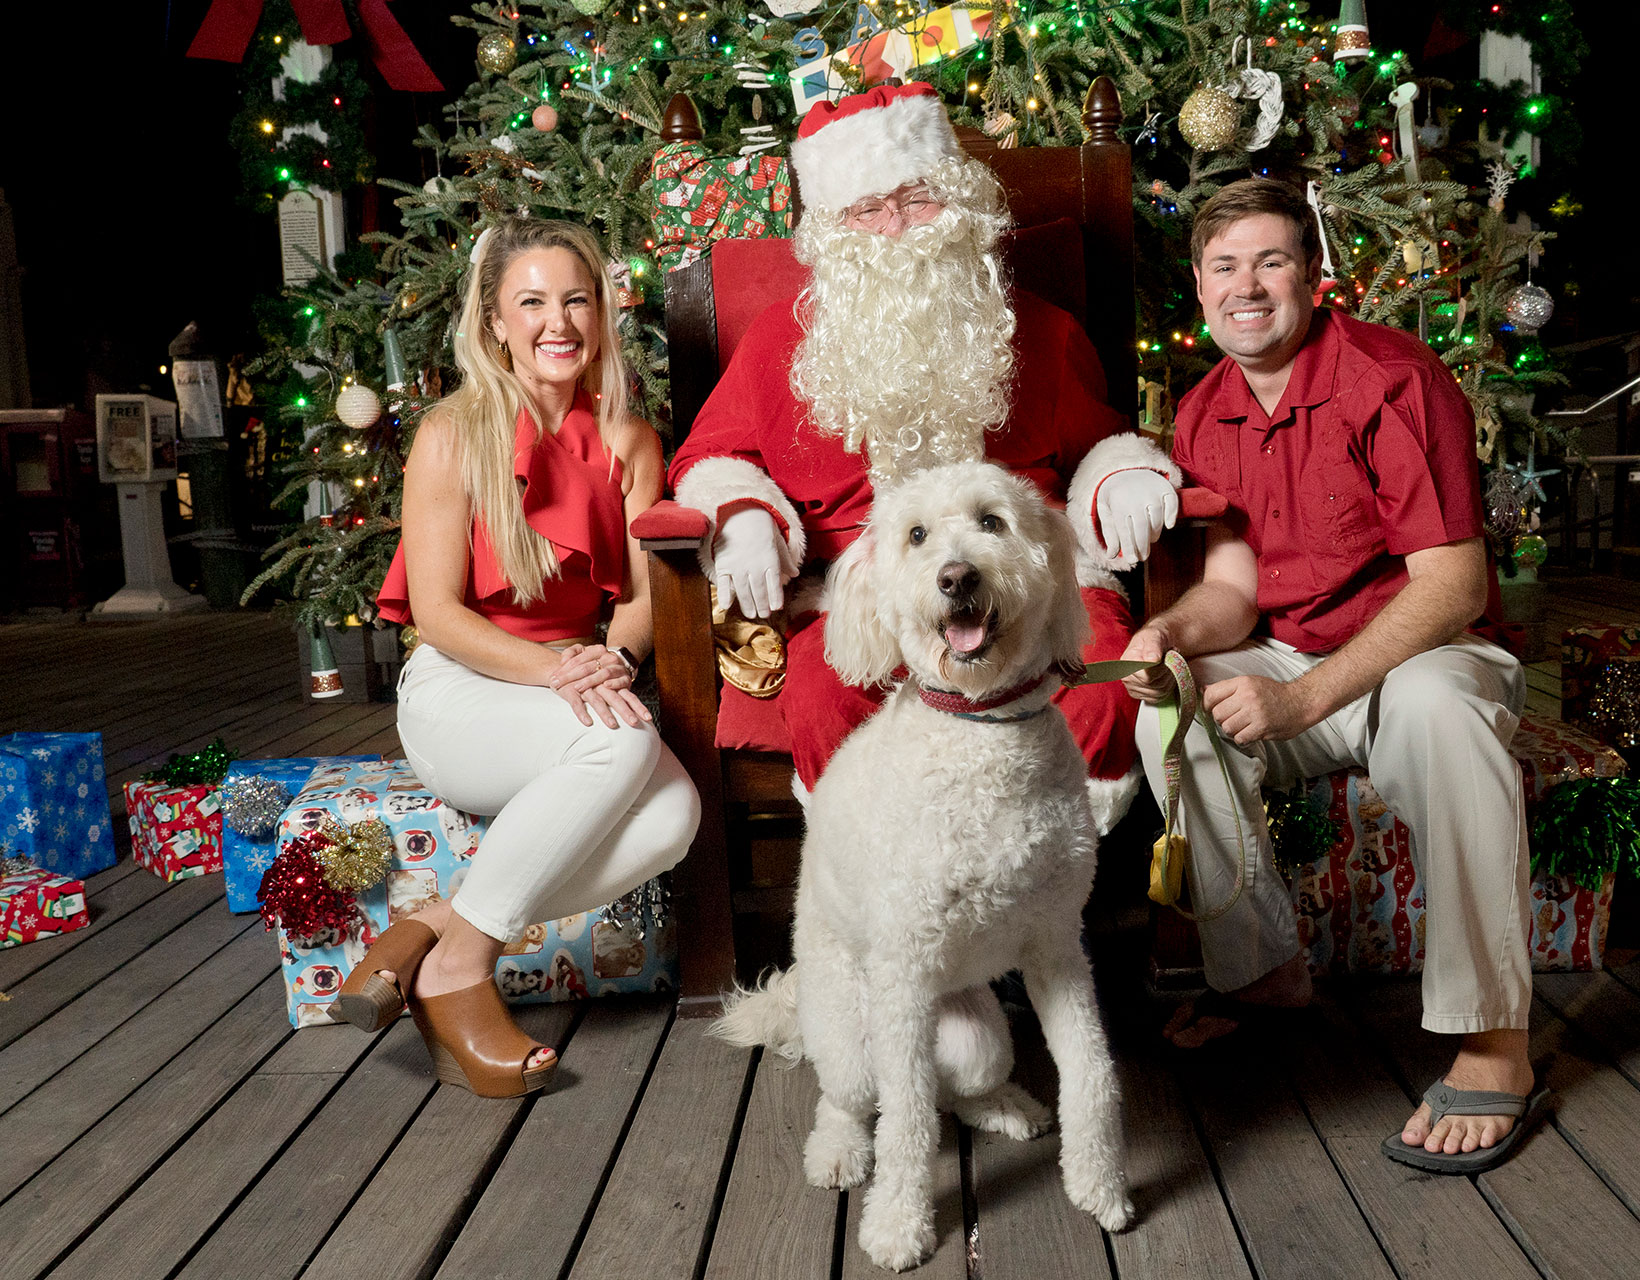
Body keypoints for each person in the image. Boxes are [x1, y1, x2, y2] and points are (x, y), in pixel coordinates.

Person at [1121, 179, 1547, 1173]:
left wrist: (1305, 698)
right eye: (1225, 267)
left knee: (1442, 711)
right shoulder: (1202, 413)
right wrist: (1172, 633)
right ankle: (1265, 966)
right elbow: (1230, 589)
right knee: (1171, 715)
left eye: (1271, 261)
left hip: (1423, 653)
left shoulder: (1394, 378)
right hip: (1293, 654)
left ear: (1314, 276)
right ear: (1199, 285)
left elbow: (1452, 583)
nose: (1248, 286)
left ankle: (1495, 1039)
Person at [666, 82, 1180, 832]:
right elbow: (714, 453)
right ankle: (885, 867)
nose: (896, 229)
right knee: (821, 697)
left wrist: (1123, 475)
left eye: (918, 200)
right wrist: (742, 513)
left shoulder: (1038, 330)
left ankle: (1034, 855)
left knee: (1102, 685)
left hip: (1024, 579)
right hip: (858, 588)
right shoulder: (781, 339)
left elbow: (1097, 443)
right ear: (835, 230)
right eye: (868, 212)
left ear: (960, 201)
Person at [353, 216, 701, 1098]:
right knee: (624, 747)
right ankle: (461, 974)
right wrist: (559, 671)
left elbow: (636, 601)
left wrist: (612, 661)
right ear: (495, 322)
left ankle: (438, 930)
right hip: (462, 693)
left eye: (576, 300)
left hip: (573, 687)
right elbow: (435, 613)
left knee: (675, 817)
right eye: (533, 302)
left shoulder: (628, 439)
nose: (559, 323)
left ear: (602, 313)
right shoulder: (450, 433)